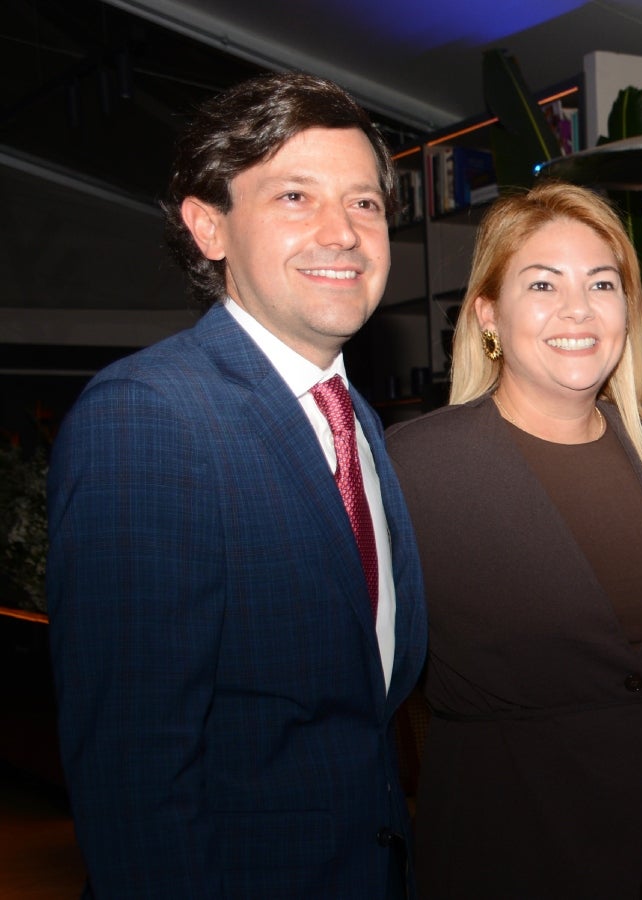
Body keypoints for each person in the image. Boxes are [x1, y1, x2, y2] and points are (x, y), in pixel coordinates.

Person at [47, 72, 426, 899]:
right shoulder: (147, 418)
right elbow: (133, 772)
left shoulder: (354, 417)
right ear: (208, 226)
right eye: (295, 196)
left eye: (364, 204)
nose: (344, 233)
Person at [386, 181, 642, 899]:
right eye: (543, 283)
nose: (578, 310)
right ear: (488, 313)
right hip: (512, 845)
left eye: (602, 284)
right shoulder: (415, 466)